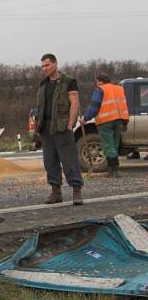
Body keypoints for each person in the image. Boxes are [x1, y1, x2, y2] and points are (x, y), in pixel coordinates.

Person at [35, 53, 83, 205]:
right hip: (46, 127)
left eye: (47, 65)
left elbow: (74, 103)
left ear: (55, 64)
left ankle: (76, 191)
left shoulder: (69, 81)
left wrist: (71, 123)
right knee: (50, 161)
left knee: (69, 160)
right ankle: (56, 192)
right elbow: (40, 105)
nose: (45, 68)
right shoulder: (43, 83)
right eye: (42, 66)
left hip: (62, 126)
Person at [81, 74, 129, 177]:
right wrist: (125, 122)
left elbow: (94, 106)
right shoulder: (119, 89)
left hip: (105, 121)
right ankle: (112, 170)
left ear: (100, 81)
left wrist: (85, 118)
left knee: (108, 145)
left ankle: (114, 170)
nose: (96, 83)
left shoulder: (100, 89)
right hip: (119, 119)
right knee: (114, 144)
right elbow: (124, 105)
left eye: (97, 81)